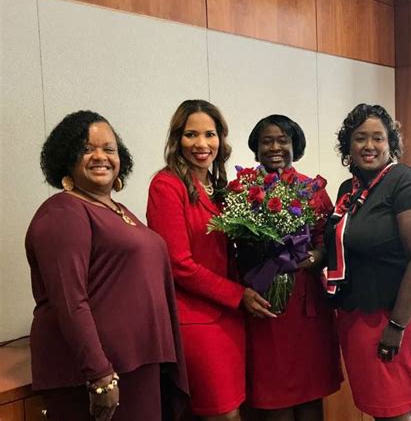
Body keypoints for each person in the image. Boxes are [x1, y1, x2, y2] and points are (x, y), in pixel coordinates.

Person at [25, 110, 188, 421]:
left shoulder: (117, 210)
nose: (100, 156)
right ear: (67, 157)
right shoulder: (63, 213)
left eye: (109, 149)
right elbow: (70, 301)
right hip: (100, 372)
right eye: (87, 149)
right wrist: (99, 375)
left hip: (138, 363)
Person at [146, 100, 273, 421]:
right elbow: (178, 264)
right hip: (198, 320)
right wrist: (237, 294)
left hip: (228, 317)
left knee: (236, 410)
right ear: (177, 140)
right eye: (191, 135)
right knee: (222, 413)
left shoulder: (217, 188)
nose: (202, 144)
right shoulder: (166, 186)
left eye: (210, 134)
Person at [324, 103, 411, 421]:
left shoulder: (406, 181)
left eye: (377, 138)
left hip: (396, 310)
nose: (368, 145)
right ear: (347, 146)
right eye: (360, 138)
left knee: (393, 408)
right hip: (358, 310)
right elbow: (342, 243)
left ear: (391, 144)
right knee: (376, 404)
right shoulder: (348, 190)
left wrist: (397, 325)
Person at [243, 115, 342, 421]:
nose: (275, 147)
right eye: (267, 141)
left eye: (282, 140)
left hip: (307, 303)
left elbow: (330, 243)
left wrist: (312, 257)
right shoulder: (243, 189)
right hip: (265, 302)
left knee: (310, 392)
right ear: (256, 148)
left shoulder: (311, 189)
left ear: (294, 145)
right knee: (274, 396)